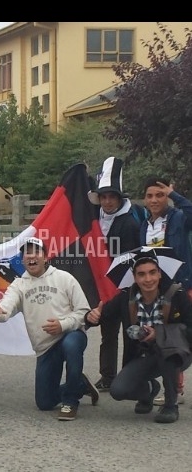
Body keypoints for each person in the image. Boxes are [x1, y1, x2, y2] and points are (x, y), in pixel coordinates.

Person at [0, 237, 99, 421]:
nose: (32, 256)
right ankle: (79, 385)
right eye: (27, 253)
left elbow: (83, 313)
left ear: (45, 257)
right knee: (44, 403)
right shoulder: (19, 285)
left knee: (71, 345)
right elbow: (6, 308)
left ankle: (70, 402)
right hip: (45, 347)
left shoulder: (64, 278)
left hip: (71, 335)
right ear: (22, 260)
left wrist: (62, 324)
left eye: (36, 252)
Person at [85, 250, 192, 423]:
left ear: (159, 273)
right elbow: (103, 315)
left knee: (164, 346)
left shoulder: (176, 294)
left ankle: (171, 405)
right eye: (141, 274)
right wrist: (91, 317)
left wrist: (160, 333)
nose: (148, 279)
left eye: (152, 272)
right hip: (143, 356)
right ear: (134, 277)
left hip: (175, 353)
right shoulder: (126, 297)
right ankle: (150, 390)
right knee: (118, 390)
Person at [87, 157, 142, 392]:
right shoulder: (94, 217)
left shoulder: (129, 223)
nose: (107, 201)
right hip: (104, 287)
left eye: (112, 197)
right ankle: (107, 376)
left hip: (127, 287)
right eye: (104, 196)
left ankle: (128, 377)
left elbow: (132, 257)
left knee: (130, 334)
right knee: (107, 333)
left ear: (120, 198)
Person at [140, 177, 192, 405]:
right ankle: (176, 389)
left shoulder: (178, 217)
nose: (154, 200)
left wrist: (174, 194)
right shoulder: (144, 225)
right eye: (150, 195)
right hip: (160, 288)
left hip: (183, 284)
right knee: (171, 338)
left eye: (159, 195)